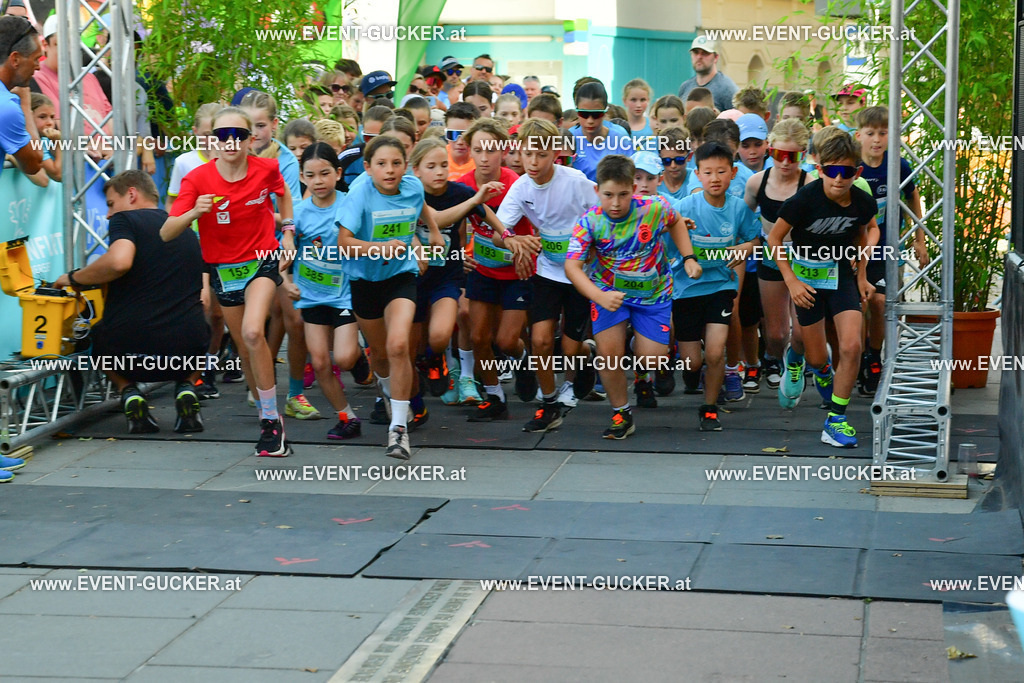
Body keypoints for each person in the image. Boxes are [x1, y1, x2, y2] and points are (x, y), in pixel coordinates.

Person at [163, 106, 294, 457]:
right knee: (246, 349)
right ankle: (267, 415)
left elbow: (283, 193)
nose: (231, 142)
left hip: (262, 259)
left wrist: (288, 231)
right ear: (212, 141)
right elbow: (166, 231)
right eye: (222, 135)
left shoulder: (266, 168)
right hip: (224, 269)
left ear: (251, 139)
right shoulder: (198, 179)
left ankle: (271, 421)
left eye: (239, 135)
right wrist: (194, 211)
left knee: (252, 332)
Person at [55, 170, 209, 434]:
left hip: (128, 352)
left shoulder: (125, 219)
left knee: (96, 334)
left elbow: (119, 262)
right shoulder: (185, 230)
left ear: (132, 194)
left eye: (111, 204)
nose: (108, 215)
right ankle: (186, 387)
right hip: (185, 352)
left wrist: (73, 278)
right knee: (201, 326)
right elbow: (204, 298)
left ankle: (128, 392)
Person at [566, 155, 700, 438]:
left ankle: (636, 345)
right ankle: (622, 414)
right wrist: (599, 296)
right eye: (608, 195)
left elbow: (675, 221)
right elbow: (572, 267)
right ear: (596, 191)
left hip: (653, 293)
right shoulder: (589, 222)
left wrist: (688, 257)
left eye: (623, 194)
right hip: (608, 294)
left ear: (634, 189)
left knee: (653, 359)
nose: (615, 203)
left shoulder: (655, 207)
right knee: (608, 357)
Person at [768, 129, 880, 448]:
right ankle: (799, 359)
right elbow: (774, 239)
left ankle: (836, 420)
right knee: (817, 359)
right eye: (832, 171)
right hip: (806, 280)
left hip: (841, 276)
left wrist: (862, 273)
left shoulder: (862, 201)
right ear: (820, 170)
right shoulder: (804, 199)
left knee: (852, 346)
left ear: (857, 172)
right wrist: (791, 281)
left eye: (846, 171)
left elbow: (864, 231)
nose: (839, 179)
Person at [336, 136, 444, 460]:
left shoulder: (412, 186)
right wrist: (379, 248)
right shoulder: (359, 195)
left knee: (398, 345)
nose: (390, 170)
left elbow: (420, 205)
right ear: (368, 168)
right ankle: (387, 390)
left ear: (406, 166)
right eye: (381, 164)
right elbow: (344, 242)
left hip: (401, 275)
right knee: (381, 354)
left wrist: (432, 230)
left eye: (396, 163)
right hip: (365, 281)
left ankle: (398, 431)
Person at [492, 118, 598, 432]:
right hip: (547, 271)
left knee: (570, 349)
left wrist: (591, 247)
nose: (534, 162)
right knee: (540, 340)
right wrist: (512, 240)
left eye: (541, 155)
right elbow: (499, 231)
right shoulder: (521, 187)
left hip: (579, 272)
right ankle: (549, 405)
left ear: (555, 153)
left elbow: (602, 216)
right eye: (527, 154)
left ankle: (586, 354)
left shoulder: (576, 181)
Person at [670, 142, 759, 430]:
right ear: (697, 174)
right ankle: (695, 372)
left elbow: (756, 238)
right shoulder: (684, 207)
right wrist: (676, 229)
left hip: (721, 286)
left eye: (721, 171)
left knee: (716, 351)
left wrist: (746, 247)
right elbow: (663, 237)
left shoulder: (739, 208)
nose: (715, 178)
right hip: (686, 290)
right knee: (692, 362)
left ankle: (709, 408)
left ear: (733, 173)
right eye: (708, 172)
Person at [281, 143, 365, 440]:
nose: (318, 181)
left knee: (344, 359)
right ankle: (347, 418)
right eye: (311, 175)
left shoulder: (351, 204)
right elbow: (285, 254)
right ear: (301, 177)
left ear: (338, 173)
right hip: (311, 298)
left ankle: (361, 356)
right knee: (319, 363)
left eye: (325, 173)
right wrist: (286, 281)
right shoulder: (298, 213)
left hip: (345, 295)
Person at [458, 118, 535, 418]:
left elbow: (536, 227)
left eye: (491, 150)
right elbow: (455, 224)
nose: (484, 157)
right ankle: (495, 397)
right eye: (478, 150)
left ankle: (523, 359)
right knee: (479, 338)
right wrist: (458, 255)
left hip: (517, 271)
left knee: (506, 340)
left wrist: (527, 248)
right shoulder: (463, 185)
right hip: (483, 269)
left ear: (503, 151)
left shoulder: (516, 184)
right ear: (469, 151)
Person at [855, 106, 928, 396]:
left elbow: (913, 197)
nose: (877, 139)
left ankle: (874, 357)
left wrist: (919, 239)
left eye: (883, 133)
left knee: (882, 304)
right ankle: (858, 356)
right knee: (858, 306)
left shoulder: (899, 165)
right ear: (858, 135)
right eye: (870, 133)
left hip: (887, 247)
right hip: (854, 250)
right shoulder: (850, 165)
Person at [744, 118, 812, 397]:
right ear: (770, 150)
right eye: (778, 154)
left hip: (804, 259)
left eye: (792, 156)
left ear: (803, 155)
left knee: (802, 331)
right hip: (771, 257)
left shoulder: (810, 184)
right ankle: (775, 358)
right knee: (775, 334)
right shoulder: (756, 182)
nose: (784, 162)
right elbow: (743, 221)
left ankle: (794, 363)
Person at [166, 102, 226, 400]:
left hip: (225, 246)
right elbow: (172, 204)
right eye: (204, 134)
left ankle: (211, 362)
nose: (210, 140)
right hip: (194, 246)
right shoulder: (184, 162)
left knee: (217, 313)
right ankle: (195, 372)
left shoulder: (230, 160)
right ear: (194, 132)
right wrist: (179, 228)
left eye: (215, 135)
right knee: (198, 307)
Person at [0, 15, 43, 178]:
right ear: (15, 59)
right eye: (36, 59)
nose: (38, 67)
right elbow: (35, 163)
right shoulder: (6, 107)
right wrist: (25, 103)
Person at [569, 80, 634, 183]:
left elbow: (631, 176)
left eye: (596, 114)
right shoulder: (570, 137)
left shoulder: (620, 137)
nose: (590, 121)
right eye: (584, 114)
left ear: (605, 112)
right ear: (577, 112)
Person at [677, 35, 739, 113]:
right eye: (696, 52)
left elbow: (737, 117)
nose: (699, 57)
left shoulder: (727, 88)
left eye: (705, 53)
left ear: (716, 57)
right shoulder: (685, 87)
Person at [444, 102, 479, 180]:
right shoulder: (438, 158)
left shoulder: (482, 161)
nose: (460, 142)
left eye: (466, 135)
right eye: (452, 134)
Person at [622, 78, 654, 149]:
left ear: (648, 100)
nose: (638, 105)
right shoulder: (618, 126)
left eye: (643, 100)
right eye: (633, 100)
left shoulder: (654, 125)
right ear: (625, 101)